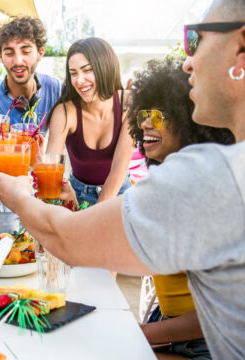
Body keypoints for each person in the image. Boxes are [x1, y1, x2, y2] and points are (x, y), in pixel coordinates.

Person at [0, 0, 245, 358]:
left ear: (241, 50)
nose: (188, 61)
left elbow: (69, 234)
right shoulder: (214, 170)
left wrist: (15, 194)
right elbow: (52, 166)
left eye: (195, 40)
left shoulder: (205, 177)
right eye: (73, 72)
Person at [128, 58, 234, 359]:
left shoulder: (204, 192)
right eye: (144, 114)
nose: (146, 123)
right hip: (166, 324)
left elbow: (224, 310)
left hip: (204, 342)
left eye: (159, 116)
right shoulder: (163, 181)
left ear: (189, 124)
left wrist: (146, 333)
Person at [0, 16, 62, 234]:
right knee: (3, 264)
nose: (18, 60)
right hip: (1, 209)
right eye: (9, 52)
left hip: (41, 203)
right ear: (1, 57)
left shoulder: (56, 90)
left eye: (26, 50)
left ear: (40, 52)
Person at [46, 38, 134, 206]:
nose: (79, 80)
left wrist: (92, 219)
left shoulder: (129, 104)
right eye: (73, 73)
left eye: (87, 70)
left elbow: (118, 170)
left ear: (105, 68)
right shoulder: (64, 112)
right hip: (76, 196)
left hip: (120, 195)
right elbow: (51, 170)